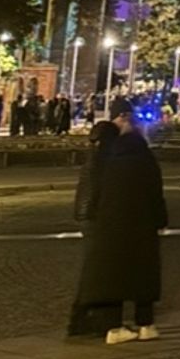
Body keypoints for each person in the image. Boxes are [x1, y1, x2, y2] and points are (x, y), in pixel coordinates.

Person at [71, 107, 167, 344]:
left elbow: (97, 193)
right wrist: (160, 221)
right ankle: (146, 324)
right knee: (143, 275)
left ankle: (114, 329)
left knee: (111, 276)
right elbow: (156, 195)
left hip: (111, 227)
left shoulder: (110, 162)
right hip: (143, 226)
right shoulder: (147, 161)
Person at [67, 121, 120, 337]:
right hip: (97, 219)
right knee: (99, 272)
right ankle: (93, 320)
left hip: (89, 218)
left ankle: (80, 319)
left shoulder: (94, 157)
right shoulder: (104, 160)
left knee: (92, 271)